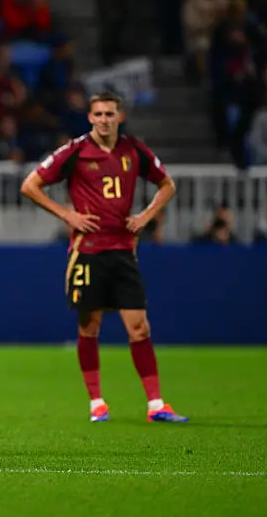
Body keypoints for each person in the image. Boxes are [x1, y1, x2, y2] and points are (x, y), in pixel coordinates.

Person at [19, 91, 189, 423]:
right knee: (90, 326)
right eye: (98, 114)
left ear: (119, 117)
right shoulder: (75, 150)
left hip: (124, 251)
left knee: (139, 328)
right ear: (90, 117)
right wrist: (67, 215)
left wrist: (145, 217)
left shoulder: (133, 150)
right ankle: (97, 402)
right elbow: (30, 185)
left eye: (110, 114)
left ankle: (156, 406)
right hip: (87, 252)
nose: (104, 120)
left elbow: (167, 184)